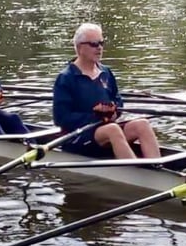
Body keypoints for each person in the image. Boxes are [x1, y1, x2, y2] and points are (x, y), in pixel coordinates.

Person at [52, 23, 161, 159]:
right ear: (79, 48)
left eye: (101, 43)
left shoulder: (105, 72)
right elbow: (61, 118)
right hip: (78, 137)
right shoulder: (66, 78)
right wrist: (95, 115)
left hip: (105, 131)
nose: (99, 48)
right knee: (113, 129)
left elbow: (118, 100)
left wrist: (114, 110)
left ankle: (156, 166)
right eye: (93, 44)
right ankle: (136, 173)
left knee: (142, 124)